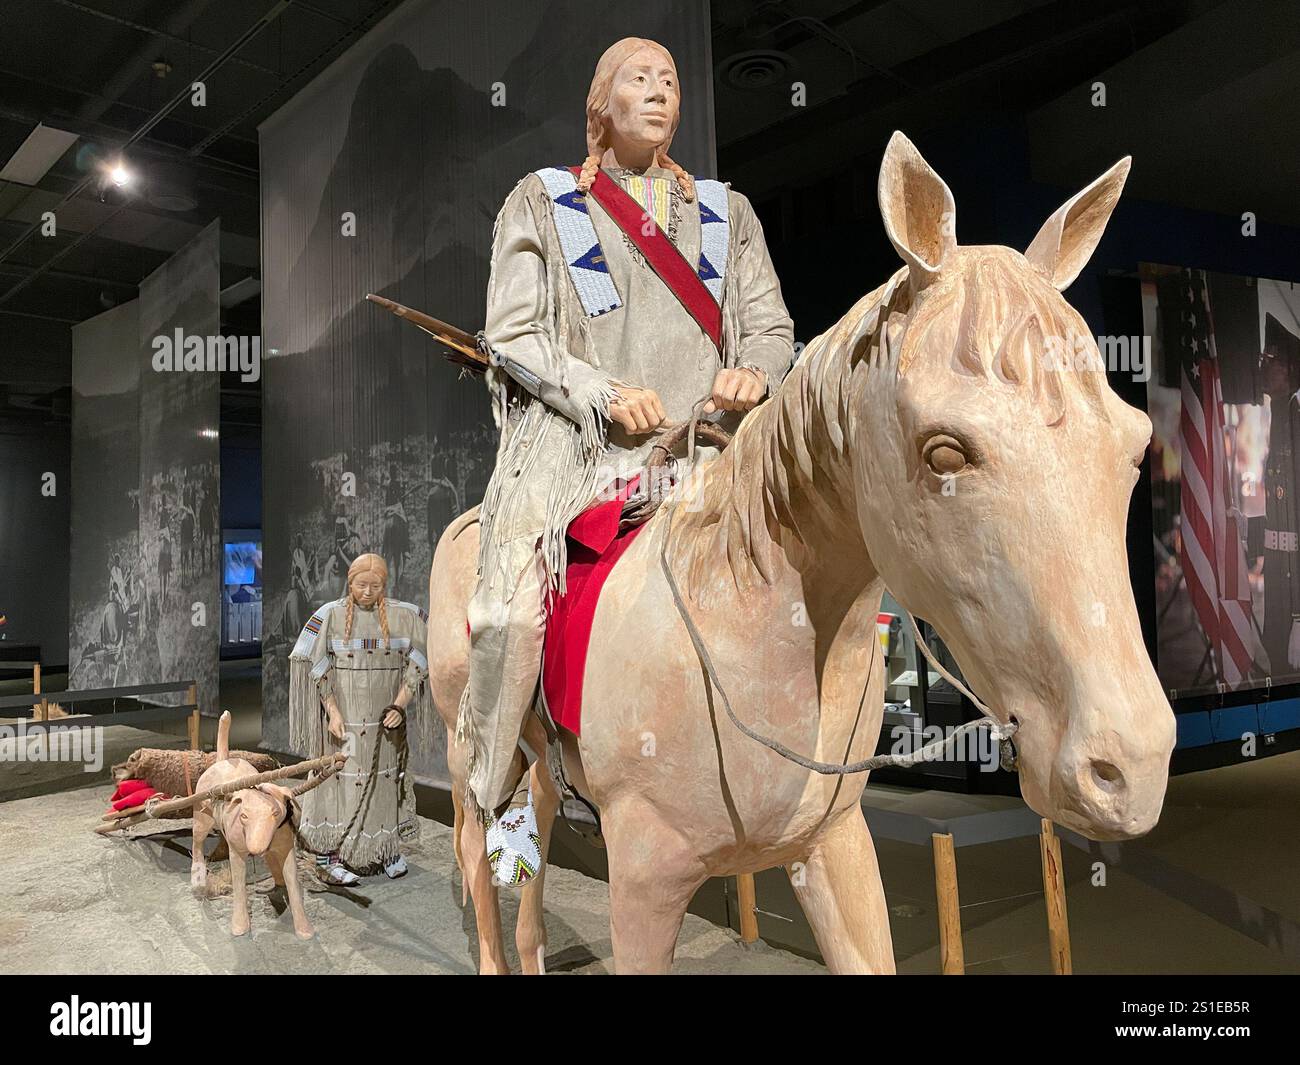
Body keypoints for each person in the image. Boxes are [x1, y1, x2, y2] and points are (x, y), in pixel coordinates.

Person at [460, 36, 795, 885]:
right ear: (600, 106)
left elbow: (770, 326)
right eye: (637, 79)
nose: (658, 92)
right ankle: (499, 786)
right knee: (507, 612)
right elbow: (512, 333)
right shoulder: (545, 201)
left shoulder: (726, 211)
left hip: (710, 448)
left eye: (670, 81)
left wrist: (757, 372)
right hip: (584, 450)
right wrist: (600, 391)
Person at [289, 553, 431, 882]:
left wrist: (400, 705)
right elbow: (316, 664)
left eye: (375, 586)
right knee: (339, 781)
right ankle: (329, 856)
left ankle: (385, 849)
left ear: (385, 585)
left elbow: (421, 659)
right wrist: (332, 712)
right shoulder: (330, 615)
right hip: (345, 723)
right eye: (361, 585)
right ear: (349, 583)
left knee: (384, 782)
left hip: (384, 723)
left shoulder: (404, 616)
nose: (368, 592)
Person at [1260, 313, 1300, 675]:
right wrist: (1245, 527)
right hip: (1277, 579)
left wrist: (1299, 615)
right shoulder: (1279, 418)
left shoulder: (1296, 423)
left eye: (1270, 359)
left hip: (1293, 589)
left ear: (1289, 369)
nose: (1262, 366)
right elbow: (1279, 517)